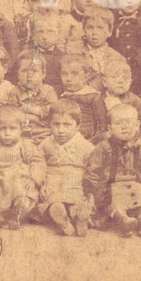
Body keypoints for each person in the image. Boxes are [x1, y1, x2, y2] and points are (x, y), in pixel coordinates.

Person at [83, 103, 141, 237]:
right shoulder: (103, 147)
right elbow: (92, 171)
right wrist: (90, 195)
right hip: (110, 187)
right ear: (110, 128)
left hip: (135, 186)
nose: (124, 127)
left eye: (129, 122)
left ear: (137, 125)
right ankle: (123, 220)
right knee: (113, 198)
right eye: (118, 123)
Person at [38, 100, 95, 236]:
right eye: (56, 124)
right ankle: (63, 220)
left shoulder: (86, 147)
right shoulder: (46, 144)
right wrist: (40, 184)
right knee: (51, 202)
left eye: (67, 125)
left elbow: (93, 171)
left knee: (77, 202)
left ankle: (79, 217)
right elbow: (38, 163)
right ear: (49, 124)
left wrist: (90, 194)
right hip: (52, 182)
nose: (61, 130)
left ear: (78, 126)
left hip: (75, 182)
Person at [57, 53, 109, 143]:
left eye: (74, 74)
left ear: (86, 76)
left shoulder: (93, 97)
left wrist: (93, 142)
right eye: (64, 74)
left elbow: (102, 126)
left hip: (90, 141)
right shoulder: (63, 97)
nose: (69, 78)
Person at [14, 48, 59, 144]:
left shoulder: (48, 91)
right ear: (17, 74)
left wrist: (36, 110)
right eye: (24, 71)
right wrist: (32, 118)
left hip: (45, 133)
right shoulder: (15, 92)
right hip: (22, 134)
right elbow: (11, 114)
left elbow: (54, 109)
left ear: (43, 74)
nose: (29, 75)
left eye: (34, 70)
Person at [100, 60, 141, 137]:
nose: (120, 81)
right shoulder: (98, 100)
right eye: (114, 77)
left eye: (125, 78)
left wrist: (138, 137)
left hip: (130, 138)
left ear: (130, 82)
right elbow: (98, 124)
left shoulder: (134, 100)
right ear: (104, 82)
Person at [81, 7, 127, 89]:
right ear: (83, 30)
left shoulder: (117, 58)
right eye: (90, 27)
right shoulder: (77, 55)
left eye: (100, 28)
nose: (94, 32)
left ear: (109, 31)